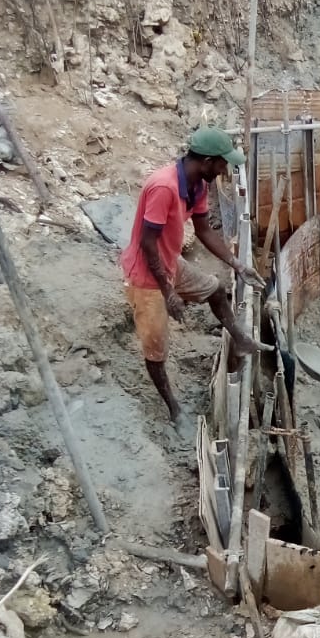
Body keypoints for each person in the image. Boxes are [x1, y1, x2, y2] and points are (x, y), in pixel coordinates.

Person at [119, 126, 268, 437]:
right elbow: (148, 244)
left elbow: (204, 230)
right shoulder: (164, 187)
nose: (225, 169)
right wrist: (168, 291)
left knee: (215, 288)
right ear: (208, 161)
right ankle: (173, 408)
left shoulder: (197, 185)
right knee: (156, 350)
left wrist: (237, 264)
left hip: (169, 261)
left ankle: (239, 338)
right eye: (223, 163)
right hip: (148, 276)